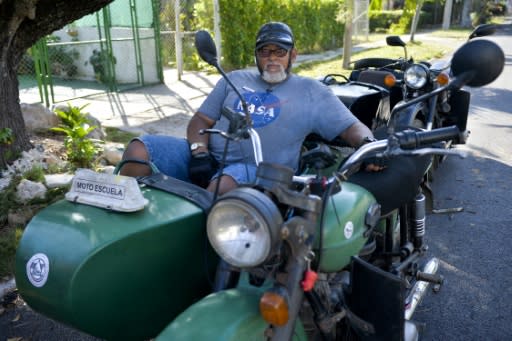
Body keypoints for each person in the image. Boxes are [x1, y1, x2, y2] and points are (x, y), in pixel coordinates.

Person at [119, 21, 382, 194]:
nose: (271, 59)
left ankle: (196, 263)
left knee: (221, 187)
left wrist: (368, 145)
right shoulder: (234, 79)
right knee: (138, 150)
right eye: (264, 51)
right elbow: (200, 120)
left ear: (293, 55)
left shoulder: (312, 91)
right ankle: (134, 225)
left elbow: (351, 127)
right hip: (210, 157)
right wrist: (199, 152)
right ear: (256, 55)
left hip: (264, 169)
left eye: (280, 51)